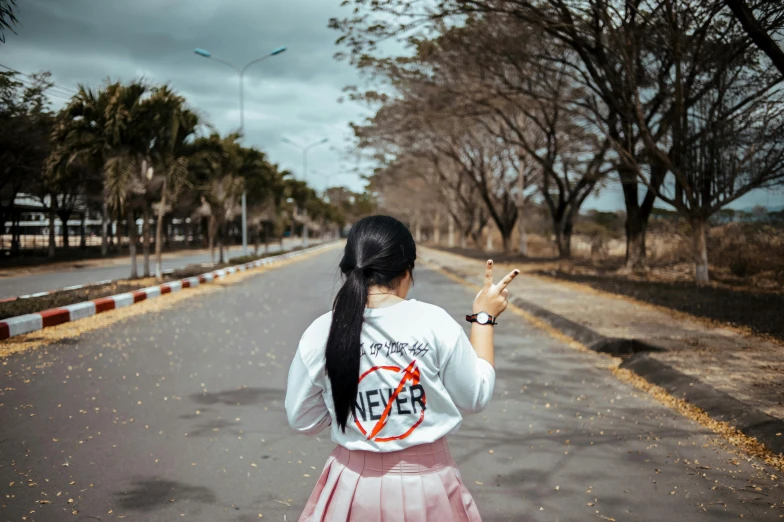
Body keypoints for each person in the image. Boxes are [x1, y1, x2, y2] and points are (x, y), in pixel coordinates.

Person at [285, 215, 519, 521]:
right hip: (428, 486)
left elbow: (302, 419)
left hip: (351, 487)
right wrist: (484, 318)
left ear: (349, 270)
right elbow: (475, 396)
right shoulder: (433, 322)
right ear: (407, 270)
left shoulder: (322, 330)